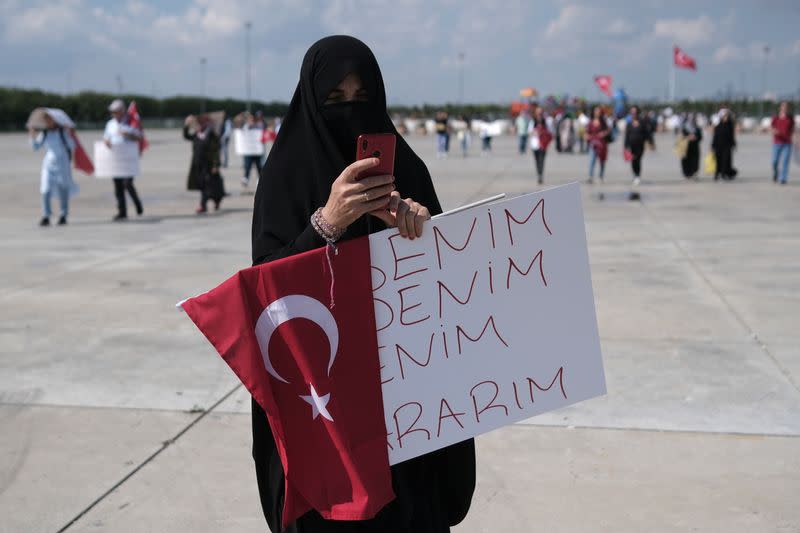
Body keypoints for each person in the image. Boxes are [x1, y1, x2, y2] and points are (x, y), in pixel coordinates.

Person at [250, 35, 476, 533]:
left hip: (403, 407)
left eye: (363, 98)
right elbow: (264, 296)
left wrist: (419, 229)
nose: (351, 111)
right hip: (328, 409)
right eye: (335, 100)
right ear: (311, 101)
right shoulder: (286, 176)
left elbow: (451, 284)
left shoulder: (408, 170)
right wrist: (327, 223)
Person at [30, 112, 76, 226]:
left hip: (62, 164)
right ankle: (46, 215)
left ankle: (63, 214)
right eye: (46, 120)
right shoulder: (44, 133)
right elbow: (35, 147)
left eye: (49, 119)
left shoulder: (62, 132)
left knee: (63, 189)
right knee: (45, 189)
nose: (47, 122)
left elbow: (72, 145)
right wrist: (32, 135)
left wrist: (70, 133)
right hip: (48, 164)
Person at [104, 99, 143, 221]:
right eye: (112, 112)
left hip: (128, 160)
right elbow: (106, 137)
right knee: (118, 186)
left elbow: (139, 137)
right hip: (116, 159)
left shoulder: (131, 122)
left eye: (116, 111)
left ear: (122, 111)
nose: (114, 114)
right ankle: (122, 211)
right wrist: (106, 142)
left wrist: (127, 134)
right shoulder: (110, 124)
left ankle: (137, 203)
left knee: (127, 184)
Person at [183, 114, 225, 213]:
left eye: (201, 124)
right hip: (198, 165)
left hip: (209, 165)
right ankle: (212, 201)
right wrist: (186, 125)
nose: (199, 126)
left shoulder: (212, 136)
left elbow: (216, 152)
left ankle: (204, 205)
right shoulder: (196, 135)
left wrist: (215, 165)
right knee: (203, 185)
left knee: (209, 185)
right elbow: (186, 136)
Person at [624, 105, 653, 186]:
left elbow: (647, 133)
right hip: (631, 145)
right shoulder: (629, 124)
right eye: (632, 112)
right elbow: (627, 136)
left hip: (640, 145)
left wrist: (651, 142)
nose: (634, 114)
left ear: (638, 113)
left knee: (638, 159)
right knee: (633, 161)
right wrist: (625, 147)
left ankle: (638, 175)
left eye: (635, 112)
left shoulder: (642, 122)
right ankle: (635, 175)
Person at [528, 105, 552, 184]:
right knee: (537, 160)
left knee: (542, 160)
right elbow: (529, 131)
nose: (539, 114)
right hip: (535, 144)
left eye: (540, 112)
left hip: (543, 144)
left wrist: (543, 132)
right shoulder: (533, 121)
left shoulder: (546, 121)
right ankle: (538, 174)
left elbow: (550, 132)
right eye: (538, 112)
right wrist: (535, 132)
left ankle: (540, 175)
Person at [585, 106, 610, 184]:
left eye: (598, 111)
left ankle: (601, 176)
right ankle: (590, 176)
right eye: (596, 111)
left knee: (602, 161)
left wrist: (603, 133)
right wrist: (587, 136)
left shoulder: (603, 122)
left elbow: (608, 130)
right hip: (593, 144)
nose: (597, 113)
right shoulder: (591, 121)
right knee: (592, 160)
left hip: (602, 144)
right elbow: (587, 132)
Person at [771, 101, 794, 184]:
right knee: (774, 161)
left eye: (787, 106)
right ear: (780, 107)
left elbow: (793, 129)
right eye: (783, 106)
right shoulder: (776, 117)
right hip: (777, 142)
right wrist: (774, 131)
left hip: (787, 143)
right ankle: (776, 173)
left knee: (785, 161)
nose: (785, 108)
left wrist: (797, 140)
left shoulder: (790, 118)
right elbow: (772, 127)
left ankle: (783, 178)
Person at [711, 108, 736, 181]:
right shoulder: (718, 126)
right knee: (718, 160)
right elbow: (715, 137)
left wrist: (733, 144)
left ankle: (724, 174)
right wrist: (712, 145)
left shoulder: (730, 125)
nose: (726, 118)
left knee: (726, 160)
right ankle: (717, 173)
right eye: (724, 116)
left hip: (727, 146)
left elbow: (732, 136)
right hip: (718, 146)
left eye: (727, 116)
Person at [241, 111, 264, 187]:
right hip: (248, 151)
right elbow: (243, 133)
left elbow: (262, 131)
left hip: (257, 151)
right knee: (247, 166)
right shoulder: (246, 126)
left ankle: (260, 179)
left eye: (252, 119)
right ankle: (246, 179)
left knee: (259, 166)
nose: (251, 121)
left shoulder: (258, 126)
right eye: (250, 120)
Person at [680, 113, 702, 179]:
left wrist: (696, 137)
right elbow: (681, 137)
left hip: (695, 147)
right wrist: (688, 137)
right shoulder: (684, 128)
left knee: (695, 161)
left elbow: (700, 137)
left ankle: (694, 173)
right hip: (686, 147)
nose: (692, 120)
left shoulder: (697, 128)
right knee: (686, 160)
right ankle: (687, 173)